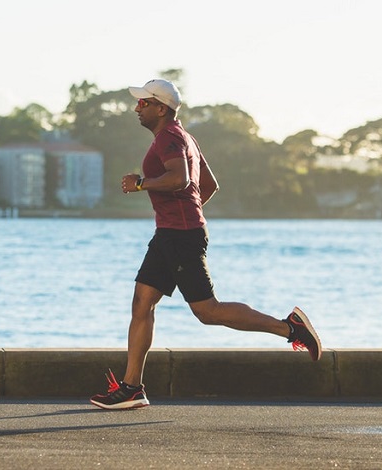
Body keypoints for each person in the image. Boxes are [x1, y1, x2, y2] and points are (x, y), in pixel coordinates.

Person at [90, 79, 321, 410]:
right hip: (172, 233)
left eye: (143, 103)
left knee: (208, 311)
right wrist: (186, 213)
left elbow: (181, 179)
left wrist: (142, 184)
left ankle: (290, 328)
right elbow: (208, 185)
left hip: (179, 236)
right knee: (142, 303)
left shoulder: (170, 137)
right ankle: (131, 388)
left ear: (161, 108)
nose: (137, 108)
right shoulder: (185, 137)